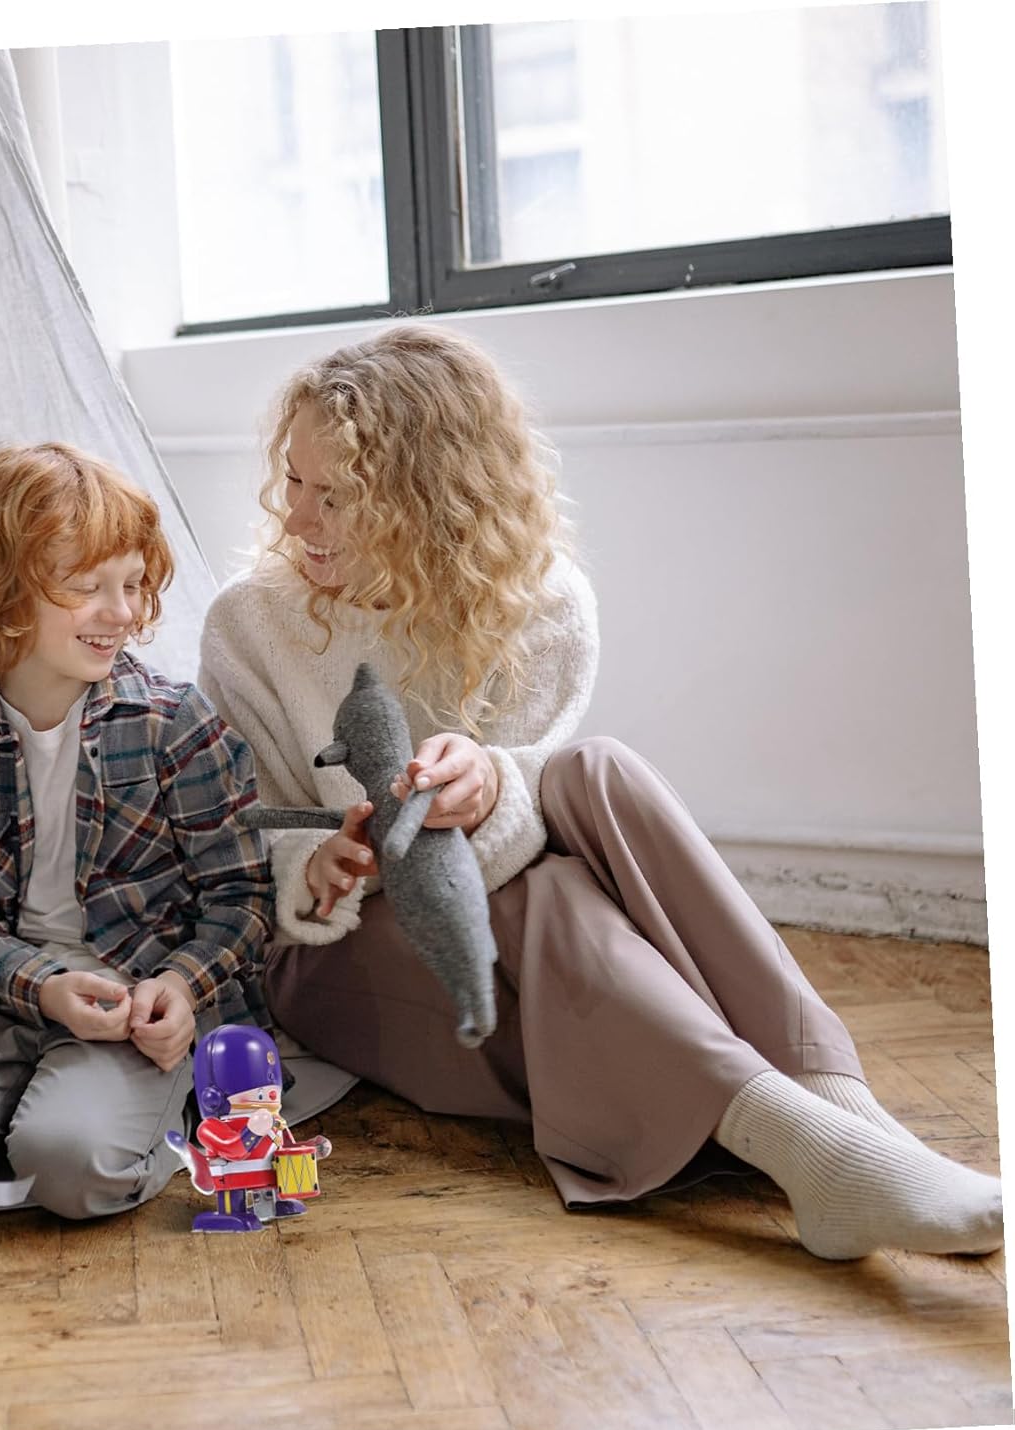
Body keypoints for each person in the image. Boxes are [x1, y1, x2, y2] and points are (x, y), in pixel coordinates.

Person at [198, 323, 1002, 1262]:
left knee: (595, 769)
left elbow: (526, 834)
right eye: (293, 480)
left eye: (334, 496)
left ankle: (842, 1122)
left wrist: (491, 788)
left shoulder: (540, 605)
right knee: (551, 892)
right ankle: (828, 1144)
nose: (297, 519)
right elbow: (243, 843)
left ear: (426, 497)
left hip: (516, 929)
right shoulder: (250, 625)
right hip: (339, 951)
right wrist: (328, 855)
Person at [0, 442, 272, 1219]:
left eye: (132, 584)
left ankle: (190, 1110)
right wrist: (42, 987)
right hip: (10, 1000)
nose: (124, 613)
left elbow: (241, 898)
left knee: (68, 1166)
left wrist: (179, 988)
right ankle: (29, 1117)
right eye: (85, 587)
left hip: (135, 1005)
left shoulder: (175, 725)